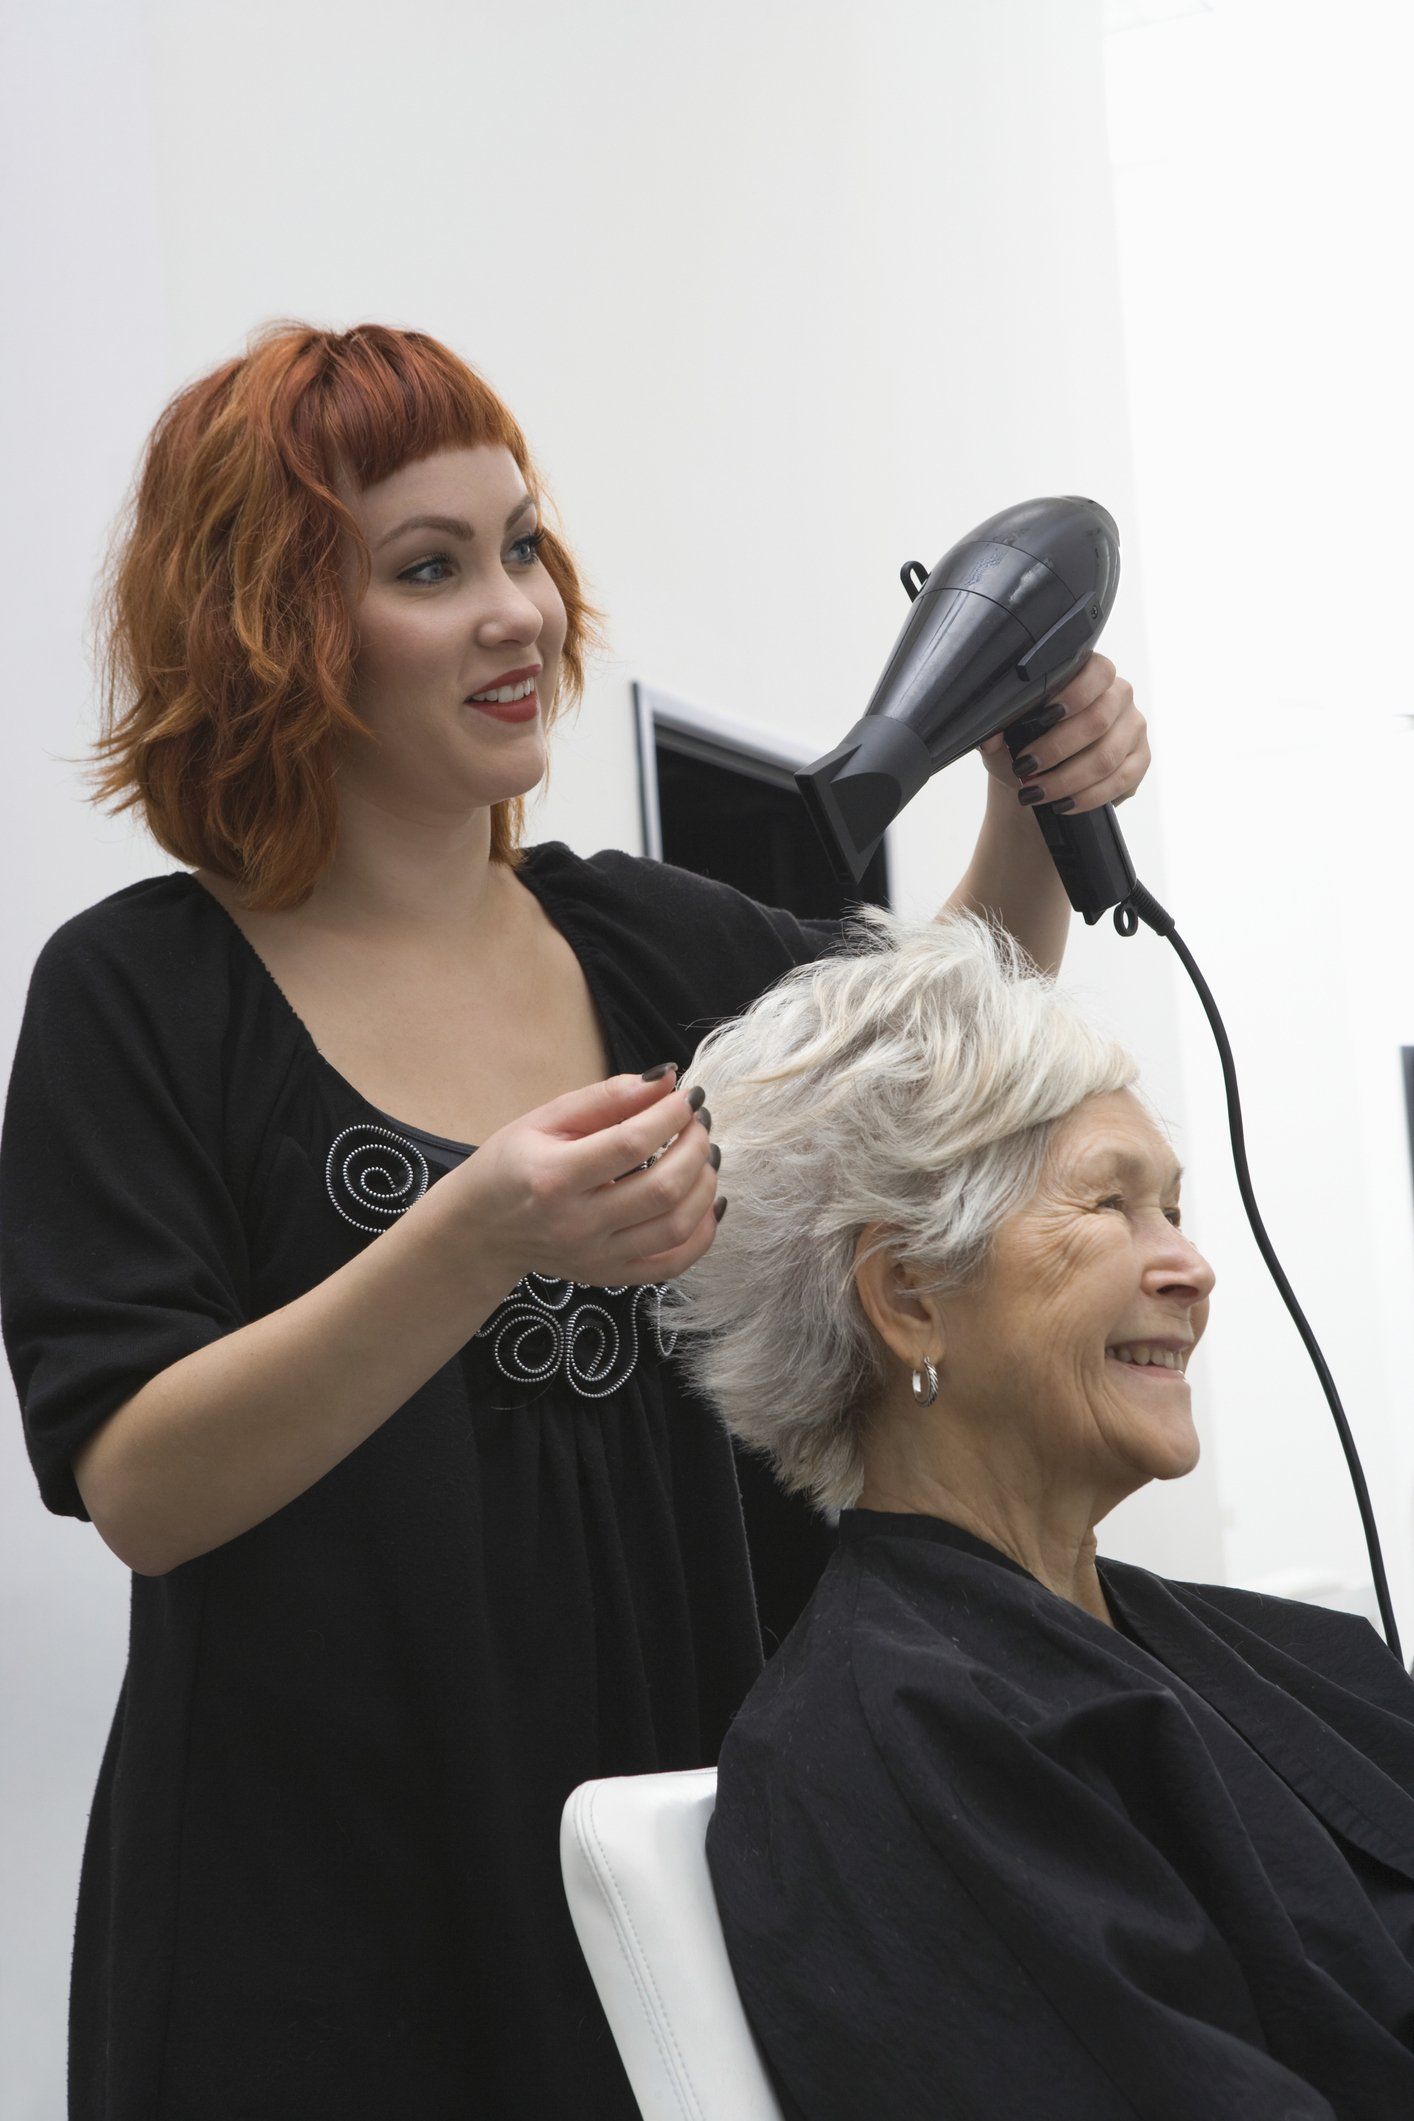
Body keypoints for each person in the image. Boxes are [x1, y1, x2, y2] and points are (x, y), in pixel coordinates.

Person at [0, 321, 1151, 2120]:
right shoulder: (141, 997)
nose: (514, 611)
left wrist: (1026, 796)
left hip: (665, 1855)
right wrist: (472, 1236)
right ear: (273, 624)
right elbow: (140, 1480)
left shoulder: (647, 947)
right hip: (306, 1915)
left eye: (521, 545)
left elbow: (951, 1044)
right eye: (427, 568)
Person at [673, 910, 1414, 2121]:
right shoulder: (898, 1749)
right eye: (1110, 1207)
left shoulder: (1286, 1654)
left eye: (1172, 1208)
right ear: (909, 1296)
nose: (1190, 1265)